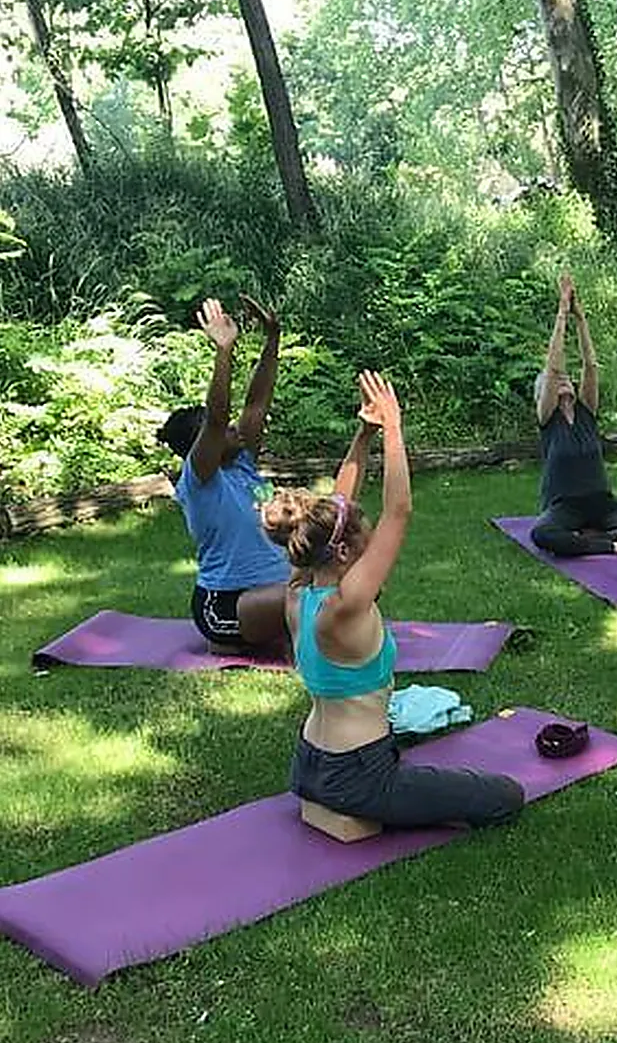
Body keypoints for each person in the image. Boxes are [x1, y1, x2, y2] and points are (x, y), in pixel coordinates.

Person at [264, 371, 524, 829]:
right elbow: (398, 512)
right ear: (344, 553)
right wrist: (395, 428)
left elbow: (333, 510)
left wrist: (364, 434)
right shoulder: (345, 606)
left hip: (307, 765)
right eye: (364, 544)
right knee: (505, 796)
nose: (371, 551)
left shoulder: (297, 591)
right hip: (360, 776)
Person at [157, 295, 291, 653]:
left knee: (353, 581)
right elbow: (217, 416)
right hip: (225, 607)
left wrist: (272, 339)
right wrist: (224, 350)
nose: (232, 428)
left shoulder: (242, 464)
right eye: (220, 431)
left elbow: (257, 403)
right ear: (200, 444)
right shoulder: (200, 480)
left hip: (276, 597)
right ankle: (276, 632)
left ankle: (294, 625)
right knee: (312, 598)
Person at [530, 274, 617, 557]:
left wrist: (580, 319)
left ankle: (598, 537)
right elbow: (554, 364)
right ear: (544, 390)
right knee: (543, 534)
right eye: (554, 379)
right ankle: (613, 545)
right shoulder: (548, 419)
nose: (562, 379)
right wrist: (561, 312)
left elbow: (591, 365)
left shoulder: (586, 411)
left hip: (602, 505)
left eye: (565, 377)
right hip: (564, 508)